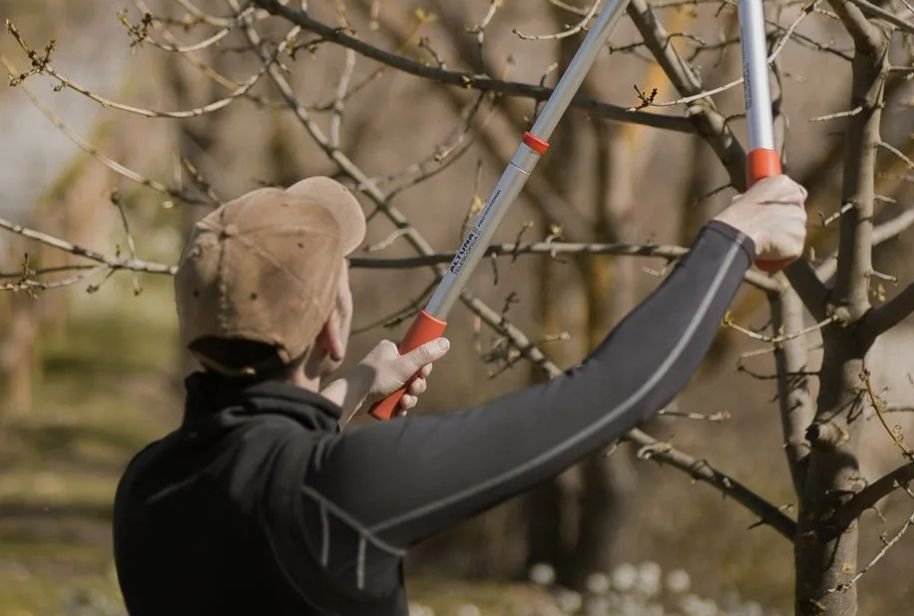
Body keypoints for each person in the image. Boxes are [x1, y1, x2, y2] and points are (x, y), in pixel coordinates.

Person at [113, 172, 807, 615]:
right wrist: (733, 238)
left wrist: (348, 389)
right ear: (333, 323)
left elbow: (253, 465)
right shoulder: (342, 491)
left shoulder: (146, 485)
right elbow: (613, 393)